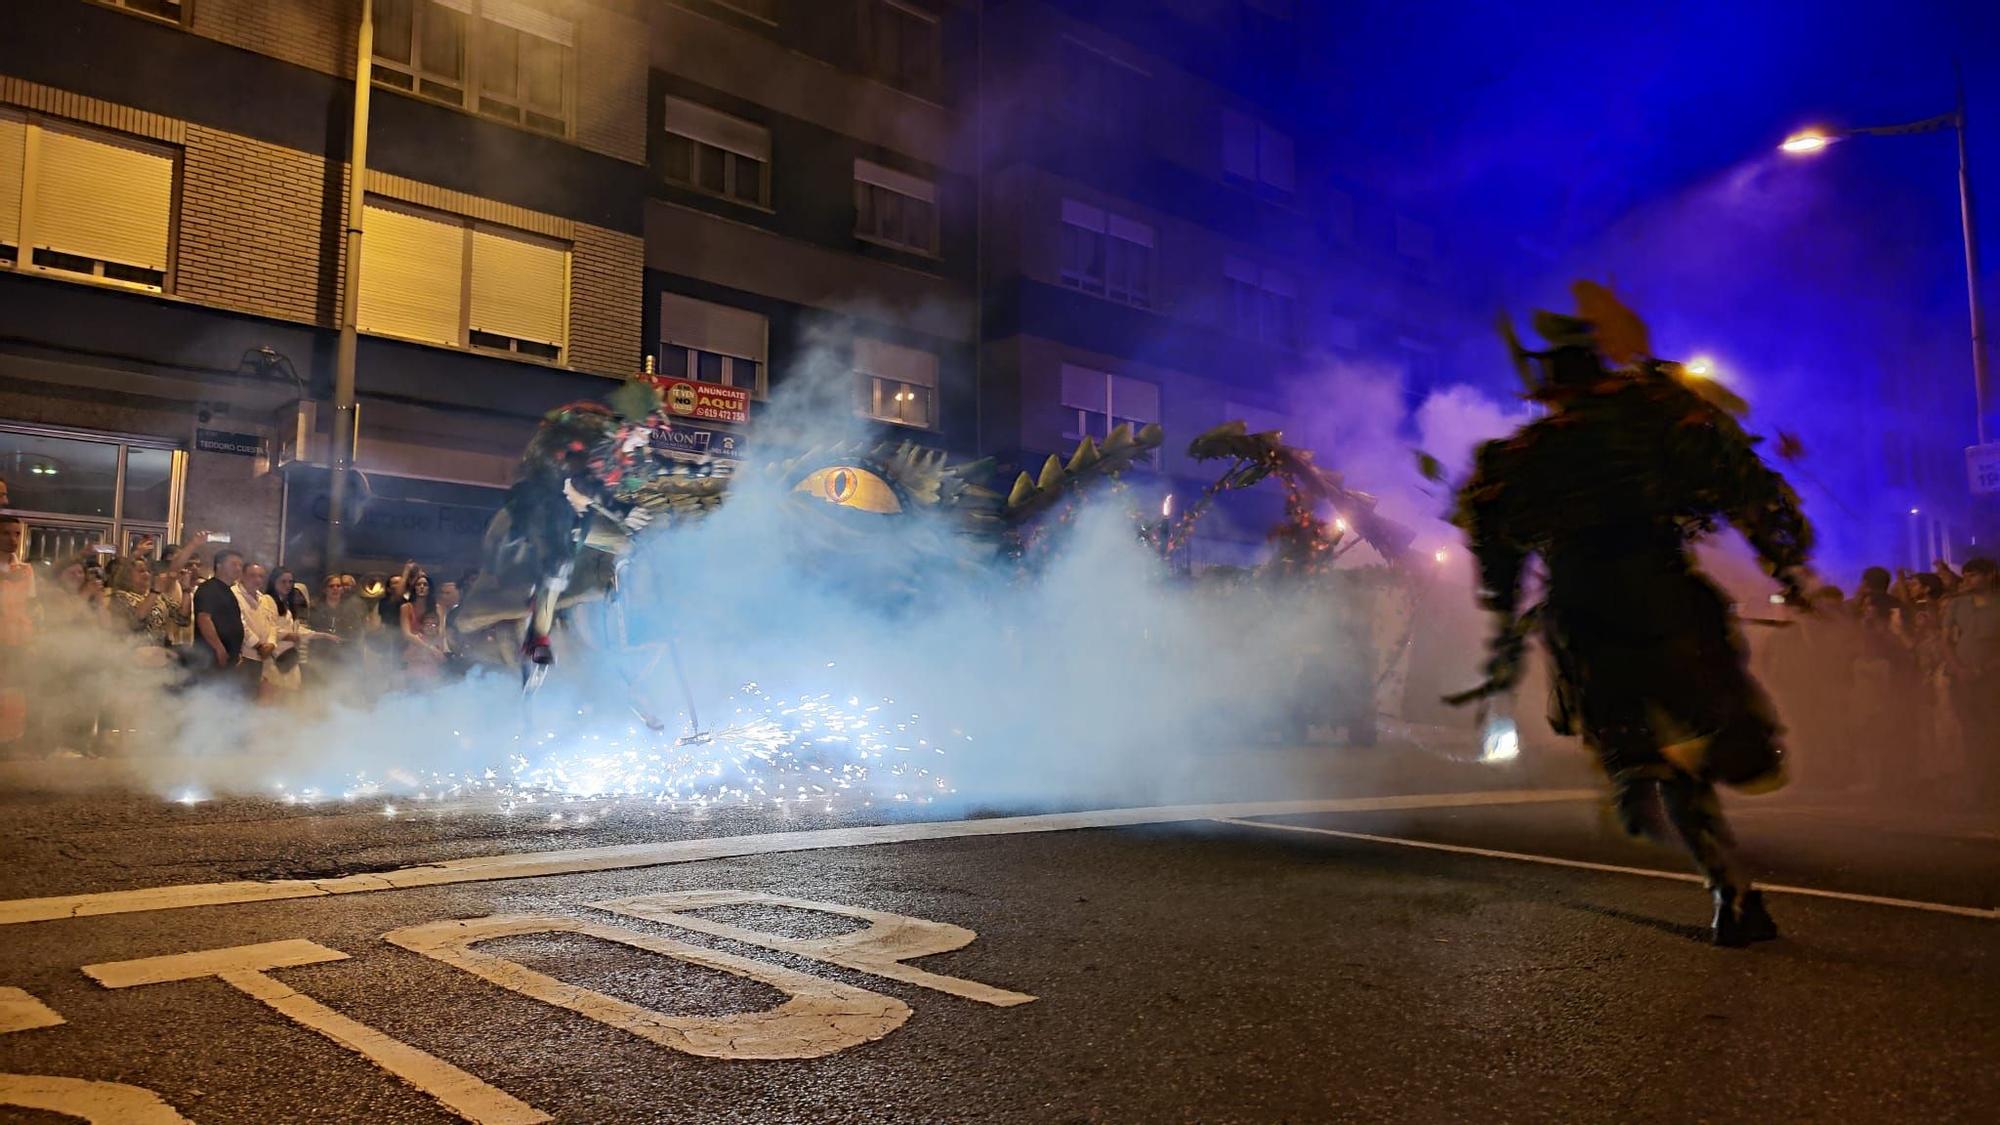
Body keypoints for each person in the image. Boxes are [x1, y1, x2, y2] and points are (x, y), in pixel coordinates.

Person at [1452, 284, 1812, 946]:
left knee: (1644, 762)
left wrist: (1505, 625)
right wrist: (1782, 559)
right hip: (1662, 591)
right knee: (1693, 742)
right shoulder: (1655, 421)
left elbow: (1496, 543)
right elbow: (1743, 482)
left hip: (1591, 609)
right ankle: (1729, 882)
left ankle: (1703, 839)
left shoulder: (1527, 454)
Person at [1941, 557, 2000, 806]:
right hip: (1962, 676)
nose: (1967, 580)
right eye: (1965, 575)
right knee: (1969, 732)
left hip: (1991, 678)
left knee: (1992, 732)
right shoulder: (1957, 605)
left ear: (1990, 575)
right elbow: (1946, 640)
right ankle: (1974, 789)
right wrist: (1958, 668)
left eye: (1973, 575)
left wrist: (1983, 669)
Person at [194, 548, 253, 696]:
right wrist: (219, 648)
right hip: (210, 658)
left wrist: (237, 651)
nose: (238, 569)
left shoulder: (228, 591)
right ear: (219, 565)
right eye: (234, 564)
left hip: (228, 659)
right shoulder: (208, 589)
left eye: (240, 565)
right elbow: (204, 619)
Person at [0, 515, 32, 748]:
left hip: (17, 641)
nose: (13, 539)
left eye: (17, 534)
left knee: (14, 693)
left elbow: (31, 607)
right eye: (6, 533)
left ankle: (10, 743)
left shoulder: (25, 569)